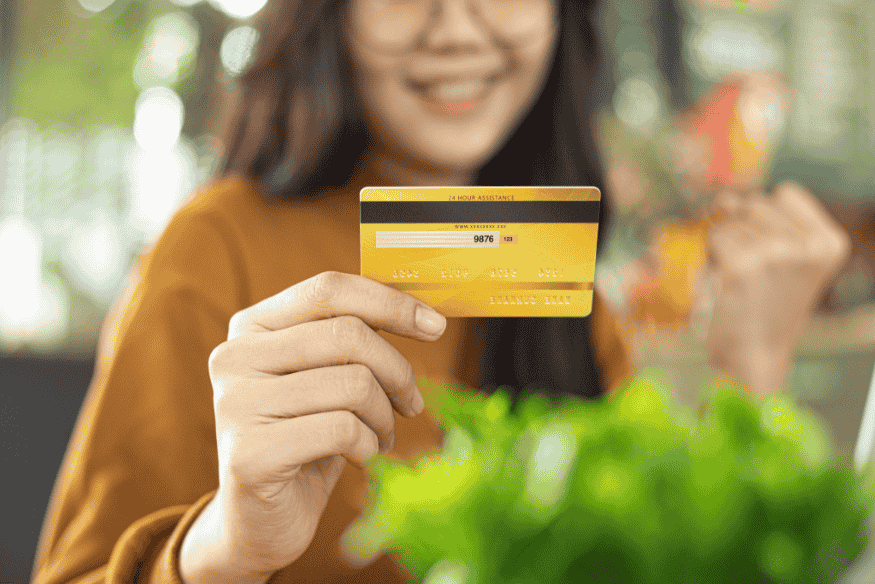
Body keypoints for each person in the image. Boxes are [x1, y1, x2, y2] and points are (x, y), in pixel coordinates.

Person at [31, 0, 850, 582]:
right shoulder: (217, 246)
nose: (456, 27)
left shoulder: (565, 297)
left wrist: (751, 372)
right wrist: (227, 545)